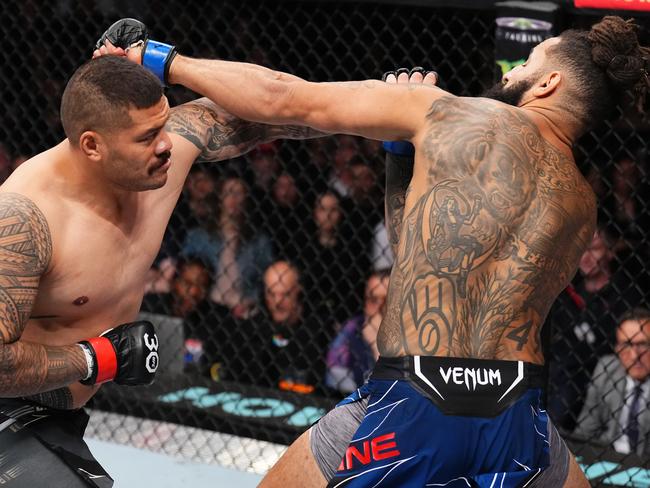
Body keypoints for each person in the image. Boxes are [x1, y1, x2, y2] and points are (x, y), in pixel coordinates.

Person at [98, 15, 649, 487]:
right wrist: (399, 156)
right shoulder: (582, 204)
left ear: (549, 82)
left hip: (413, 399)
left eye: (527, 60)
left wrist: (159, 58)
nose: (513, 70)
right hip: (516, 415)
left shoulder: (448, 110)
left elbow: (282, 96)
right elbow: (420, 253)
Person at [0, 24, 322, 488]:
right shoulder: (25, 220)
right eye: (149, 135)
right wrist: (97, 359)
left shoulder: (159, 159)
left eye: (165, 125)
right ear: (93, 144)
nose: (167, 142)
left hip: (59, 416)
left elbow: (282, 105)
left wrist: (168, 61)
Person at [573, 307, 650, 457]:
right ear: (617, 348)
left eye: (643, 344)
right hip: (606, 458)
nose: (635, 355)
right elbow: (585, 431)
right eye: (626, 345)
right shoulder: (607, 369)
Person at [325, 269, 389, 393]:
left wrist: (378, 347)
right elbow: (334, 383)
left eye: (387, 301)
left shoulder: (415, 336)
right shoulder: (351, 331)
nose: (380, 308)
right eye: (373, 300)